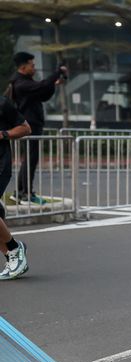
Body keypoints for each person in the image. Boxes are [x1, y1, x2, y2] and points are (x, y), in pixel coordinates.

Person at [8, 52, 67, 205]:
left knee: (29, 159)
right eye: (32, 65)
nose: (34, 68)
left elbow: (43, 93)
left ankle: (21, 192)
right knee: (30, 159)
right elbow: (41, 86)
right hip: (29, 126)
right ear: (23, 67)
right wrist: (56, 72)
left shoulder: (25, 82)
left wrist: (54, 82)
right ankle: (25, 194)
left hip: (32, 124)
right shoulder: (20, 83)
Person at [0, 96, 32, 280]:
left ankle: (14, 248)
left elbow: (26, 128)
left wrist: (3, 134)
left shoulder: (2, 103)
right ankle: (12, 257)